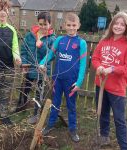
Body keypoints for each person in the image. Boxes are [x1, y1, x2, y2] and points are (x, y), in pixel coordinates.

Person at [39, 12, 87, 142]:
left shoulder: (81, 43)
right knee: (55, 103)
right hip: (57, 79)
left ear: (78, 25)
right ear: (64, 25)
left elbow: (83, 65)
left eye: (74, 25)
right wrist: (42, 63)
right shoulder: (59, 40)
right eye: (69, 25)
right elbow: (50, 54)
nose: (71, 28)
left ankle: (72, 129)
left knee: (71, 106)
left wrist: (79, 82)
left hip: (71, 82)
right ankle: (50, 124)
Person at [92, 11, 127, 150]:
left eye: (122, 24)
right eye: (116, 23)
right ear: (111, 25)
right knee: (103, 112)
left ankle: (124, 146)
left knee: (119, 119)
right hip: (101, 85)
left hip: (117, 89)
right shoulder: (104, 41)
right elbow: (95, 58)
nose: (118, 26)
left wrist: (112, 69)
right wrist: (98, 67)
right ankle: (104, 136)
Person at [15, 12, 56, 124]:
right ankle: (21, 106)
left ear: (50, 24)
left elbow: (52, 55)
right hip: (29, 67)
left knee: (39, 92)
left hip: (41, 70)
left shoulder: (52, 39)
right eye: (40, 24)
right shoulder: (30, 35)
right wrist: (24, 63)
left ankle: (35, 114)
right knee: (24, 88)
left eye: (45, 24)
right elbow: (23, 50)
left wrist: (42, 46)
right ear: (37, 23)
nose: (43, 27)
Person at [0, 0, 21, 127]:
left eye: (5, 10)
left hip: (9, 68)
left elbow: (15, 47)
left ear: (8, 12)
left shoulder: (12, 30)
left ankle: (4, 116)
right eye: (0, 9)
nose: (3, 12)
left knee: (6, 92)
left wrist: (17, 58)